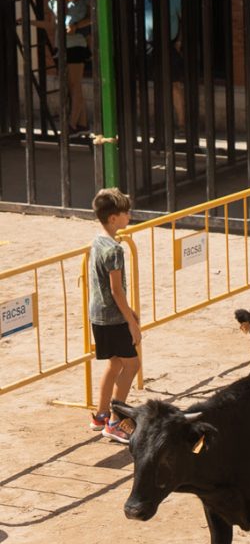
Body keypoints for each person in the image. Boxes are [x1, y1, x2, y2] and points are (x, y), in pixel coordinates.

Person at [88, 188, 140, 446]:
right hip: (114, 318)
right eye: (125, 212)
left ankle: (100, 415)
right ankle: (116, 421)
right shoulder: (115, 250)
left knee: (114, 364)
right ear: (113, 218)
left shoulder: (97, 241)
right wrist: (131, 320)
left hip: (98, 316)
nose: (129, 215)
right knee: (132, 365)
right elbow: (117, 290)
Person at [43, 0, 91, 138]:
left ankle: (72, 124)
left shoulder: (83, 4)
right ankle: (83, 124)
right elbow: (54, 15)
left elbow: (91, 18)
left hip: (76, 46)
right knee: (72, 86)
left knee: (75, 85)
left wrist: (77, 26)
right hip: (62, 46)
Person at [144, 0, 185, 130]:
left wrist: (180, 41)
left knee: (174, 84)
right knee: (157, 84)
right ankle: (162, 124)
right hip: (150, 45)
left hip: (170, 43)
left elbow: (183, 17)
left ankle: (181, 122)